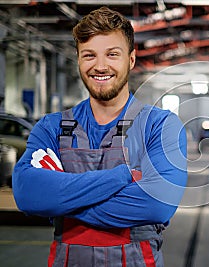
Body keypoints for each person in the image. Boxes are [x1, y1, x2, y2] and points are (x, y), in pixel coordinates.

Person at [12, 6, 187, 267]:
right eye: (89, 55)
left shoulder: (159, 127)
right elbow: (28, 194)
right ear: (79, 59)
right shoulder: (52, 128)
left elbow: (157, 205)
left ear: (131, 59)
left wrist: (61, 200)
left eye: (112, 54)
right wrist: (122, 176)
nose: (100, 66)